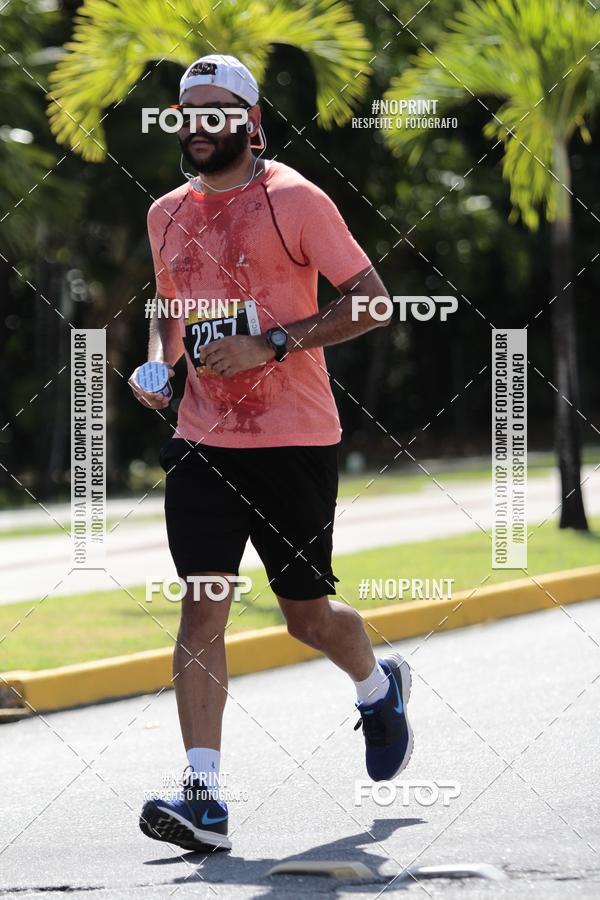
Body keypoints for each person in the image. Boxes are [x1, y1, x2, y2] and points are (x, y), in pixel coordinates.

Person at [129, 54, 413, 854]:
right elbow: (169, 308)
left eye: (219, 110)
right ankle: (206, 799)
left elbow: (374, 302)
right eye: (190, 111)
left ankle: (378, 686)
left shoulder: (293, 199)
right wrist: (159, 361)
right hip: (202, 441)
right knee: (202, 603)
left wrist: (274, 342)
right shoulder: (164, 214)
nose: (201, 124)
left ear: (251, 124)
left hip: (294, 441)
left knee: (307, 619)